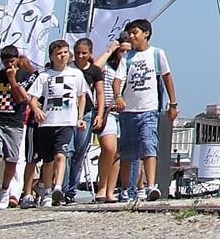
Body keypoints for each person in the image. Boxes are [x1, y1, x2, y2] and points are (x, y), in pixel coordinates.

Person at [103, 19, 176, 203]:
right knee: (128, 151)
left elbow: (167, 77)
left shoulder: (157, 54)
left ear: (146, 33)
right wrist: (118, 96)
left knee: (148, 145)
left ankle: (151, 185)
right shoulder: (127, 58)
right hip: (128, 110)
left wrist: (173, 103)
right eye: (130, 34)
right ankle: (126, 188)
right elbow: (117, 80)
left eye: (135, 33)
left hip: (149, 108)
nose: (132, 37)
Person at [0, 46, 38, 210]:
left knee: (11, 160)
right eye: (6, 62)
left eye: (12, 61)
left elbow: (21, 99)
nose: (9, 65)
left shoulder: (26, 76)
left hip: (15, 123)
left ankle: (5, 189)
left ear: (17, 59)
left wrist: (12, 80)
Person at [28, 41, 87, 207]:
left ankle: (58, 187)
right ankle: (46, 190)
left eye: (66, 52)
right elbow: (31, 98)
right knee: (47, 161)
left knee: (61, 154)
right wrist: (36, 110)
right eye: (59, 53)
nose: (63, 56)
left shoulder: (76, 74)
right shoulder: (44, 76)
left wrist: (80, 117)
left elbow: (82, 96)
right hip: (47, 122)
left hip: (67, 121)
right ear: (52, 56)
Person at [68, 38, 103, 201]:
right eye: (77, 53)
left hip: (88, 113)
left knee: (79, 152)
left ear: (90, 53)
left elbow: (100, 93)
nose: (80, 56)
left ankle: (71, 190)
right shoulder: (68, 68)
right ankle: (62, 187)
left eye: (84, 53)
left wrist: (100, 114)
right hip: (68, 114)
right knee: (66, 151)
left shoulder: (95, 71)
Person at [91, 54, 122, 203]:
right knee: (109, 148)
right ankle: (102, 187)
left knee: (117, 153)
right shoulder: (107, 68)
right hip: (107, 111)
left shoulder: (130, 66)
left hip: (125, 112)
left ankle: (111, 190)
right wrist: (110, 50)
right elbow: (95, 67)